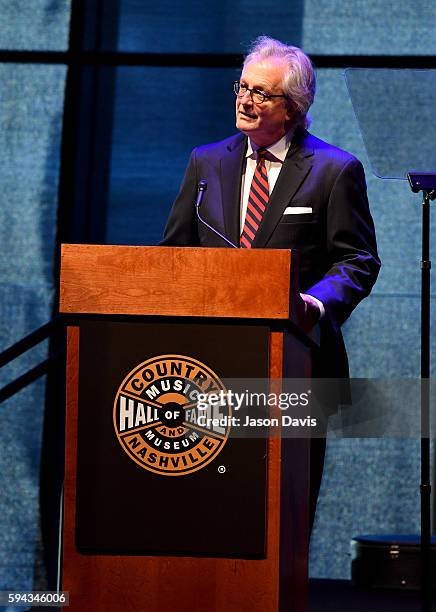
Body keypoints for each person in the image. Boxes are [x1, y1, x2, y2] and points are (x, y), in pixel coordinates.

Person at [161, 35, 380, 528]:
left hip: (297, 365)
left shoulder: (334, 170)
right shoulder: (205, 162)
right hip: (205, 368)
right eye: (242, 87)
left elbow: (357, 260)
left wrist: (313, 304)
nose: (245, 99)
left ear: (295, 107)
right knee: (212, 510)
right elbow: (173, 256)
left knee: (285, 514)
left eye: (262, 93)